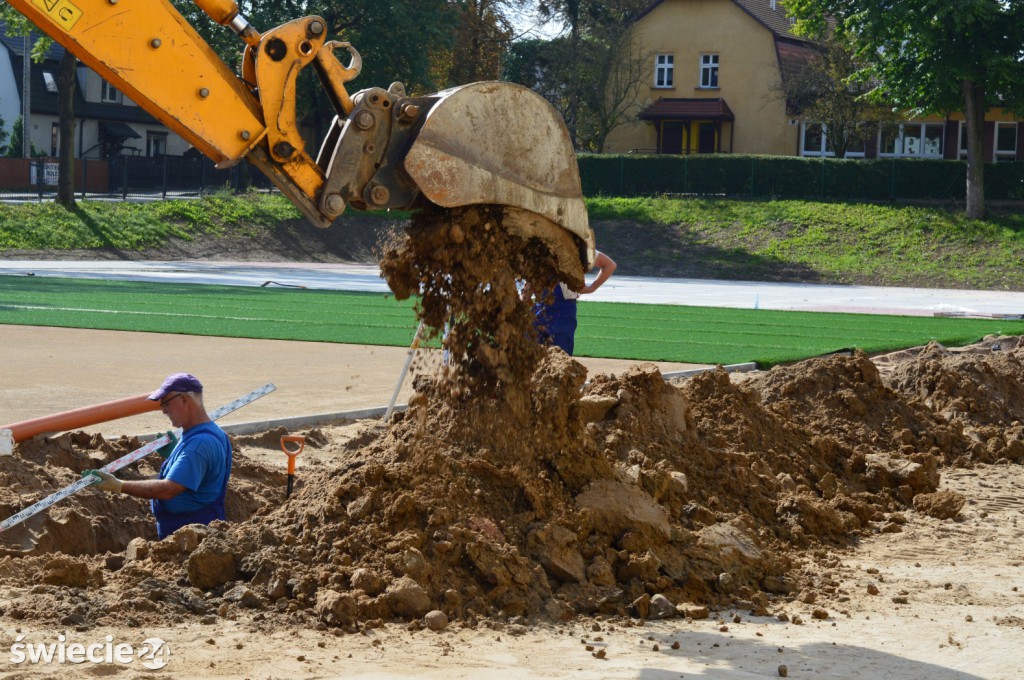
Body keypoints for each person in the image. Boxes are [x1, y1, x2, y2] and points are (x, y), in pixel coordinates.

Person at [83, 373, 233, 539]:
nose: (163, 410)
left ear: (184, 400)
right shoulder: (211, 432)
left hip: (191, 536)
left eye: (166, 403)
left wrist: (119, 485)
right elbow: (200, 470)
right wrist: (175, 453)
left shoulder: (198, 444)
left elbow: (168, 489)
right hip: (192, 530)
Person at [531, 250, 617, 356]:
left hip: (563, 312)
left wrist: (592, 287)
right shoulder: (539, 246)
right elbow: (530, 274)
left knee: (559, 357)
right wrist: (524, 298)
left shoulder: (577, 247)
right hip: (538, 308)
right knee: (528, 355)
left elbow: (609, 265)